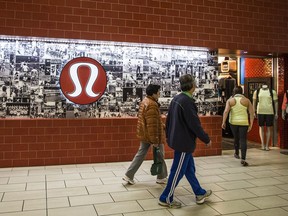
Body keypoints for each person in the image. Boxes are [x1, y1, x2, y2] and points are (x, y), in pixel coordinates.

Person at [158, 74, 212, 208]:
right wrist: (206, 139)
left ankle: (199, 193)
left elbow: (168, 120)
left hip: (178, 140)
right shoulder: (187, 102)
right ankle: (166, 197)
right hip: (184, 142)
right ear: (193, 86)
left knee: (189, 169)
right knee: (178, 171)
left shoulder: (176, 98)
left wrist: (169, 136)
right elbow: (195, 124)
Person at [123, 84, 168, 185]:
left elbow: (153, 120)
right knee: (160, 154)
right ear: (154, 93)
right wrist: (155, 140)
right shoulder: (152, 104)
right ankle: (161, 177)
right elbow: (152, 125)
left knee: (141, 154)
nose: (159, 93)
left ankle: (128, 175)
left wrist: (162, 126)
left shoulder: (145, 101)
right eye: (158, 92)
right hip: (153, 134)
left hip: (144, 133)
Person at [222, 86, 254, 166]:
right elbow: (251, 113)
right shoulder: (247, 100)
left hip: (233, 122)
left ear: (234, 92)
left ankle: (236, 153)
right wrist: (251, 124)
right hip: (244, 122)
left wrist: (223, 122)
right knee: (243, 139)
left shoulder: (230, 100)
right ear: (242, 92)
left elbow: (226, 112)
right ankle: (243, 158)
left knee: (236, 138)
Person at [252, 84, 278, 151]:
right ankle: (263, 144)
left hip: (270, 111)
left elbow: (276, 102)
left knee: (269, 128)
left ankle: (267, 145)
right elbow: (254, 102)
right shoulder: (257, 91)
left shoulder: (272, 92)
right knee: (261, 128)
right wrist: (253, 111)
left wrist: (276, 113)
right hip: (260, 111)